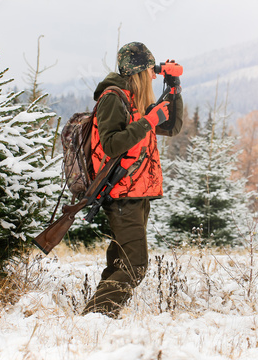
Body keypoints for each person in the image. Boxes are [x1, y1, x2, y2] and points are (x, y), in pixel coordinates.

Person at [81, 42, 183, 318]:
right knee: (135, 265)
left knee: (120, 263)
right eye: (151, 70)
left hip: (138, 193)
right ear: (138, 70)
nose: (154, 75)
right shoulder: (113, 98)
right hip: (121, 193)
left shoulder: (135, 98)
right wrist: (147, 121)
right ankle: (95, 317)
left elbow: (172, 126)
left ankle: (99, 319)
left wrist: (174, 88)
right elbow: (112, 145)